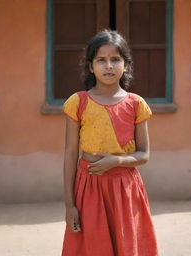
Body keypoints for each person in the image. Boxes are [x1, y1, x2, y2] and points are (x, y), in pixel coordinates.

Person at [61, 29, 159, 256]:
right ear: (90, 66)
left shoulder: (136, 104)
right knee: (92, 247)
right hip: (89, 187)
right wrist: (69, 205)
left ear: (126, 65)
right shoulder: (78, 102)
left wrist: (116, 161)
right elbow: (70, 154)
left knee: (126, 244)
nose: (108, 66)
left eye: (115, 59)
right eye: (101, 60)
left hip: (124, 188)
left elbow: (143, 155)